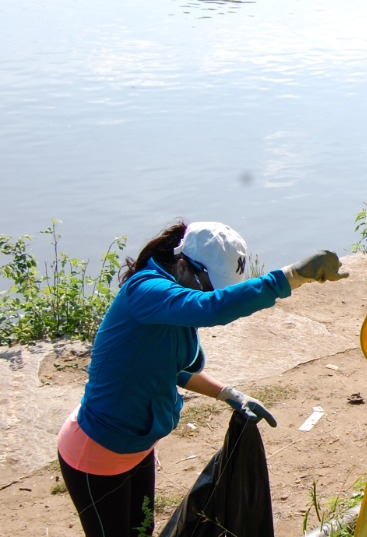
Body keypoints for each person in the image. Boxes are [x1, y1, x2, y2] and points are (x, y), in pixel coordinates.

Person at [56, 221, 348, 536]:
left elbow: (178, 369)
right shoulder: (146, 291)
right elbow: (211, 309)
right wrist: (291, 276)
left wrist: (229, 394)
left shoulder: (171, 301)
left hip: (139, 446)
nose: (211, 293)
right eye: (209, 285)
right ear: (182, 264)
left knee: (142, 529)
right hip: (97, 451)